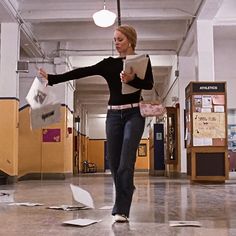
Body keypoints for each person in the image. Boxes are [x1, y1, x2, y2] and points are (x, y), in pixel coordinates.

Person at [39, 25, 153, 222]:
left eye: (120, 39)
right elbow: (82, 72)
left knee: (126, 161)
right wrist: (53, 79)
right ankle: (126, 188)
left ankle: (122, 209)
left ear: (131, 40)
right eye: (115, 40)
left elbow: (149, 84)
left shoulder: (143, 60)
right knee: (115, 163)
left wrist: (132, 80)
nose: (116, 43)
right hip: (113, 116)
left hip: (135, 114)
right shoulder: (108, 63)